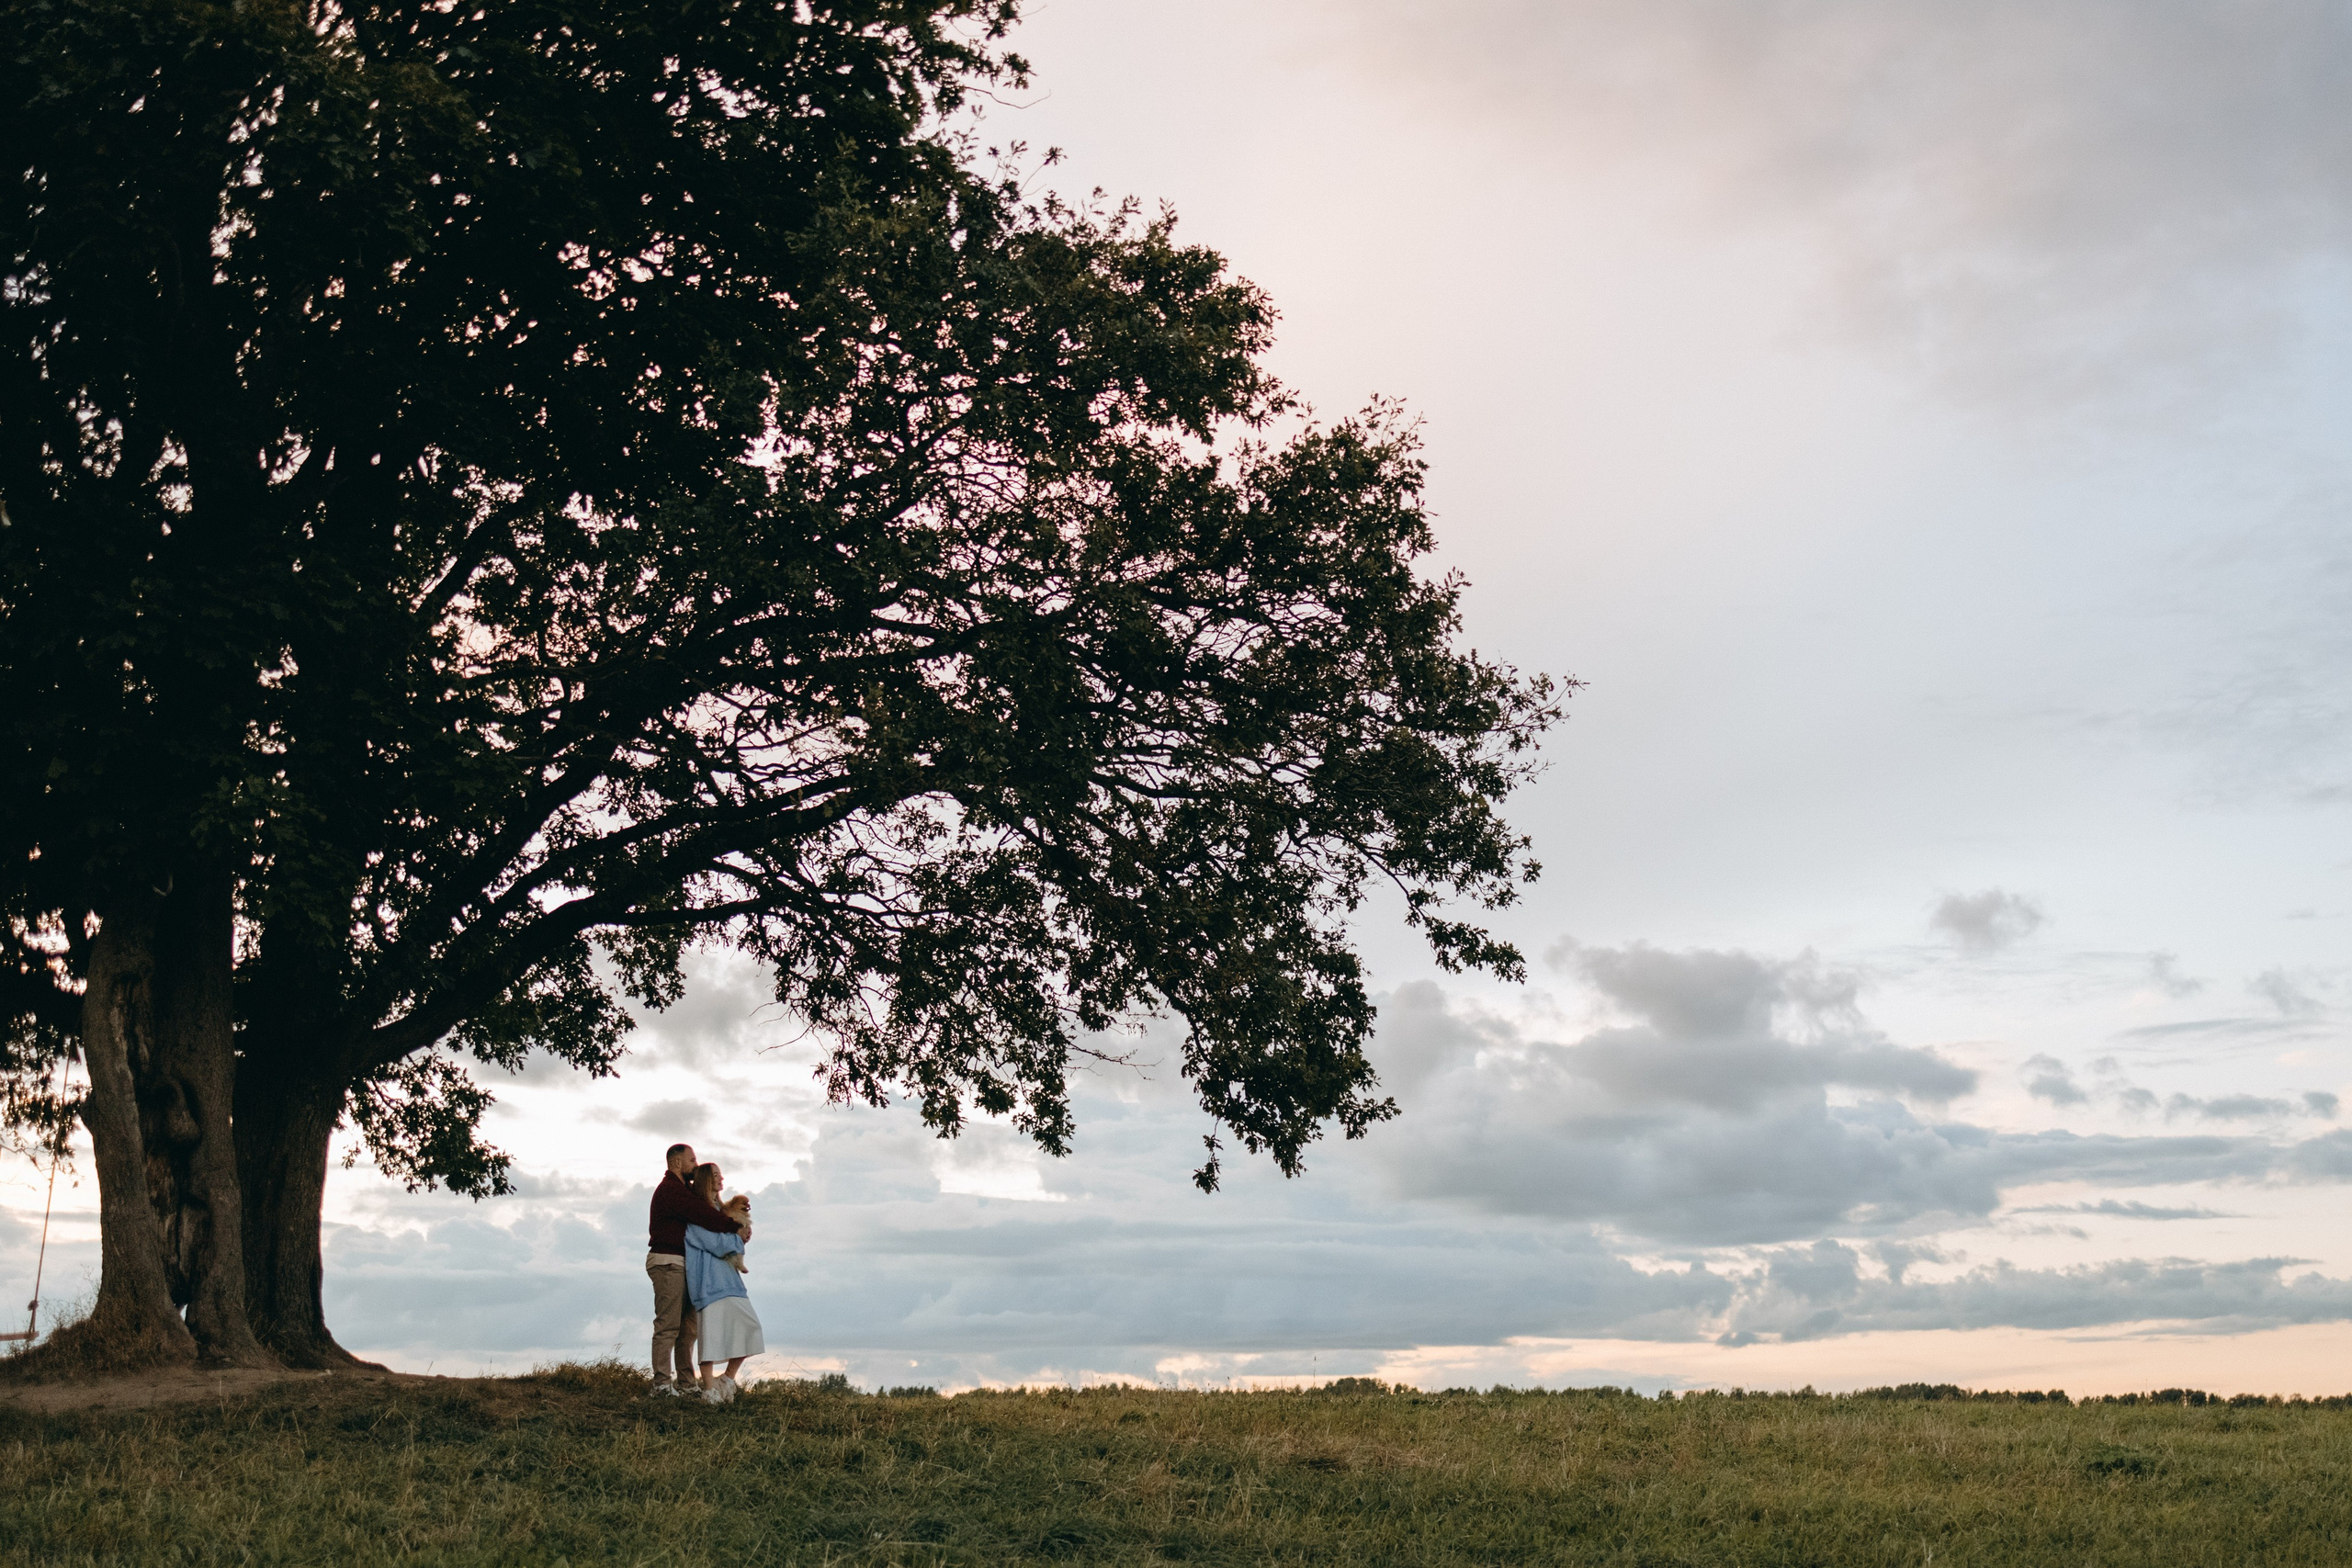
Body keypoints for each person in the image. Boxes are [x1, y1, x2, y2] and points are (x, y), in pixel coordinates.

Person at [645, 1142, 746, 1395]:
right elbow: (702, 1214)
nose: (695, 1165)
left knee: (688, 1328)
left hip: (684, 1264)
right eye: (692, 1161)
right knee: (668, 1325)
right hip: (668, 1261)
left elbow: (705, 1210)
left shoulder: (682, 1190)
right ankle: (661, 1385)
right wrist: (735, 1228)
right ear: (677, 1163)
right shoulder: (671, 1190)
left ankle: (687, 1384)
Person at [683, 1161, 765, 1403]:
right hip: (707, 1283)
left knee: (751, 1328)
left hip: (730, 1280)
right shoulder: (696, 1213)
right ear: (706, 1180)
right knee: (711, 1336)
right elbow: (717, 1244)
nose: (722, 1178)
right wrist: (738, 1239)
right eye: (716, 1175)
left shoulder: (724, 1210)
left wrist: (740, 1236)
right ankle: (709, 1390)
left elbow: (729, 1240)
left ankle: (727, 1379)